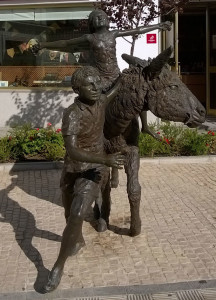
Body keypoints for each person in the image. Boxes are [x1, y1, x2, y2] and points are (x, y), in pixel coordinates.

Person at [42, 66, 126, 293]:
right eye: (90, 85)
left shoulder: (100, 102)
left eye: (97, 83)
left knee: (78, 214)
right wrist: (104, 158)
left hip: (94, 170)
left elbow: (115, 90)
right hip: (73, 169)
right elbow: (72, 151)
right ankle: (77, 240)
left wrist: (126, 75)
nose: (97, 87)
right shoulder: (73, 114)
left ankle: (57, 267)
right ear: (78, 89)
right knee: (70, 215)